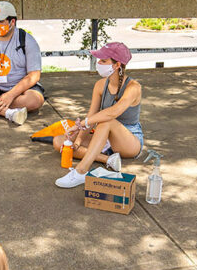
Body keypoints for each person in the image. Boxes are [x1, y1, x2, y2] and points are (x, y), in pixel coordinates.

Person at [54, 41, 145, 188]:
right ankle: (108, 160)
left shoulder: (133, 87)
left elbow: (112, 113)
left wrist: (80, 125)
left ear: (117, 65)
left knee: (106, 121)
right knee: (60, 142)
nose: (99, 63)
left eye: (103, 60)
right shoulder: (100, 85)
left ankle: (81, 171)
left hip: (129, 141)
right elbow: (91, 116)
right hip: (105, 139)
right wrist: (78, 140)